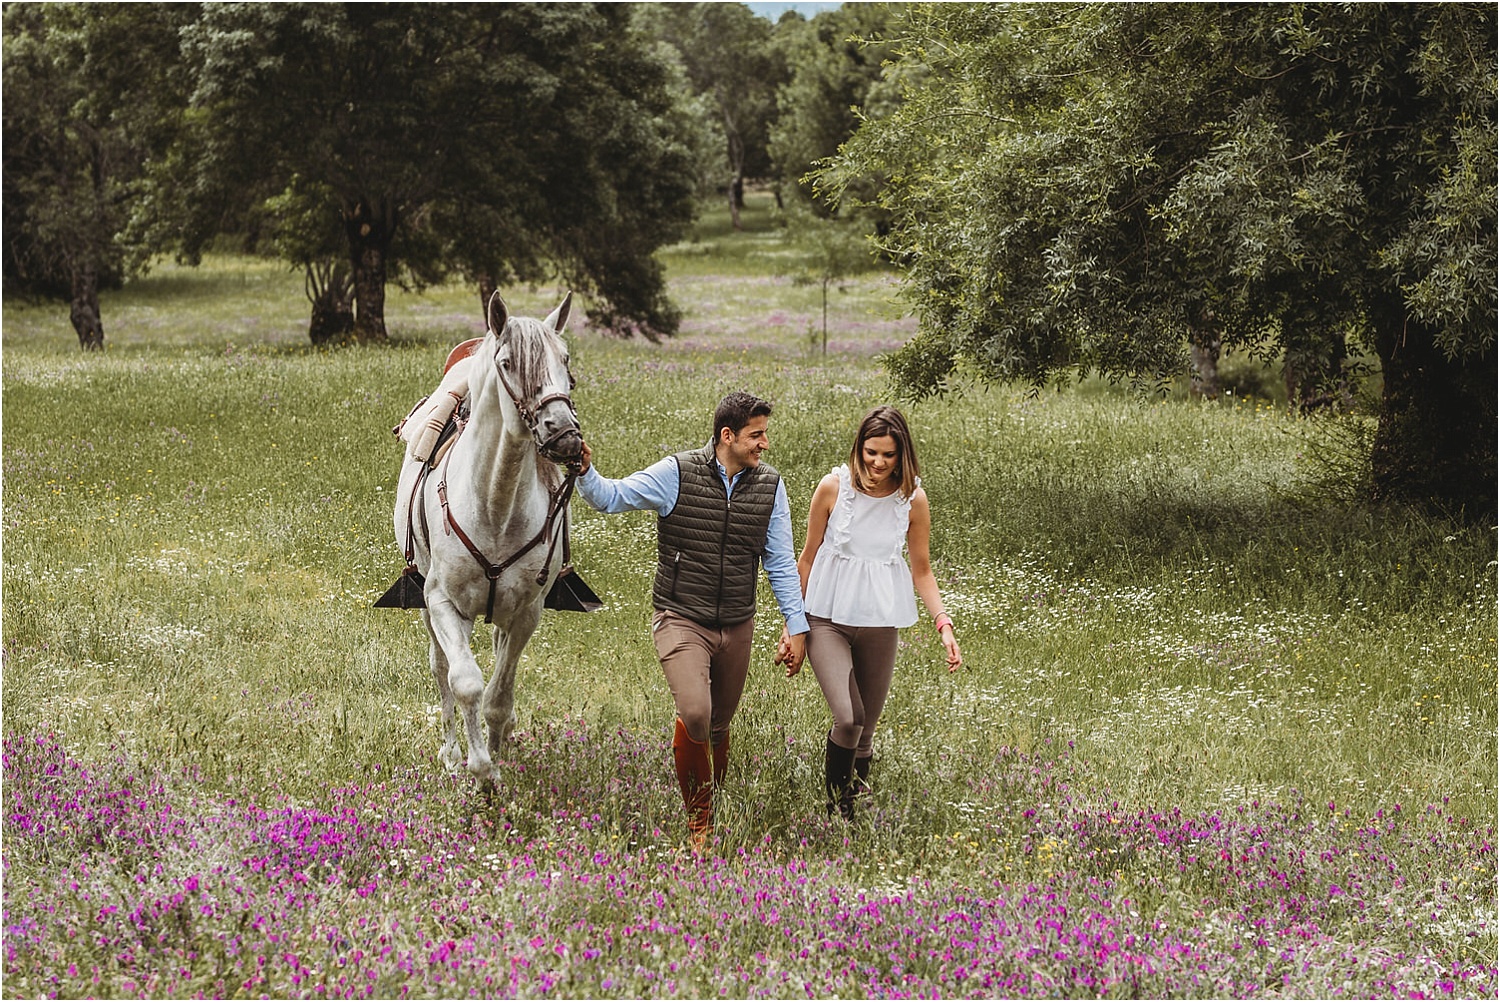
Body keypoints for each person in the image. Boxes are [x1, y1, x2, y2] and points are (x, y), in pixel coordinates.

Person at [576, 391, 809, 845]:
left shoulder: (770, 486)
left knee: (719, 725)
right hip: (680, 616)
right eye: (756, 435)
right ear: (727, 436)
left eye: (765, 434)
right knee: (697, 715)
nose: (765, 444)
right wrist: (586, 472)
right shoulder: (676, 473)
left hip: (737, 622)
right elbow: (612, 497)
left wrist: (797, 627)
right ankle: (700, 823)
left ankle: (712, 804)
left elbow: (779, 562)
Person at [780, 405, 962, 820]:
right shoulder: (833, 487)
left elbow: (922, 569)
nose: (878, 463)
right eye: (870, 452)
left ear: (903, 456)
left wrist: (943, 623)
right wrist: (792, 626)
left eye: (888, 455)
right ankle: (834, 814)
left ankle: (852, 817)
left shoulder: (912, 501)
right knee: (849, 718)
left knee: (866, 732)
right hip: (826, 620)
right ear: (859, 448)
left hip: (880, 625)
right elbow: (805, 559)